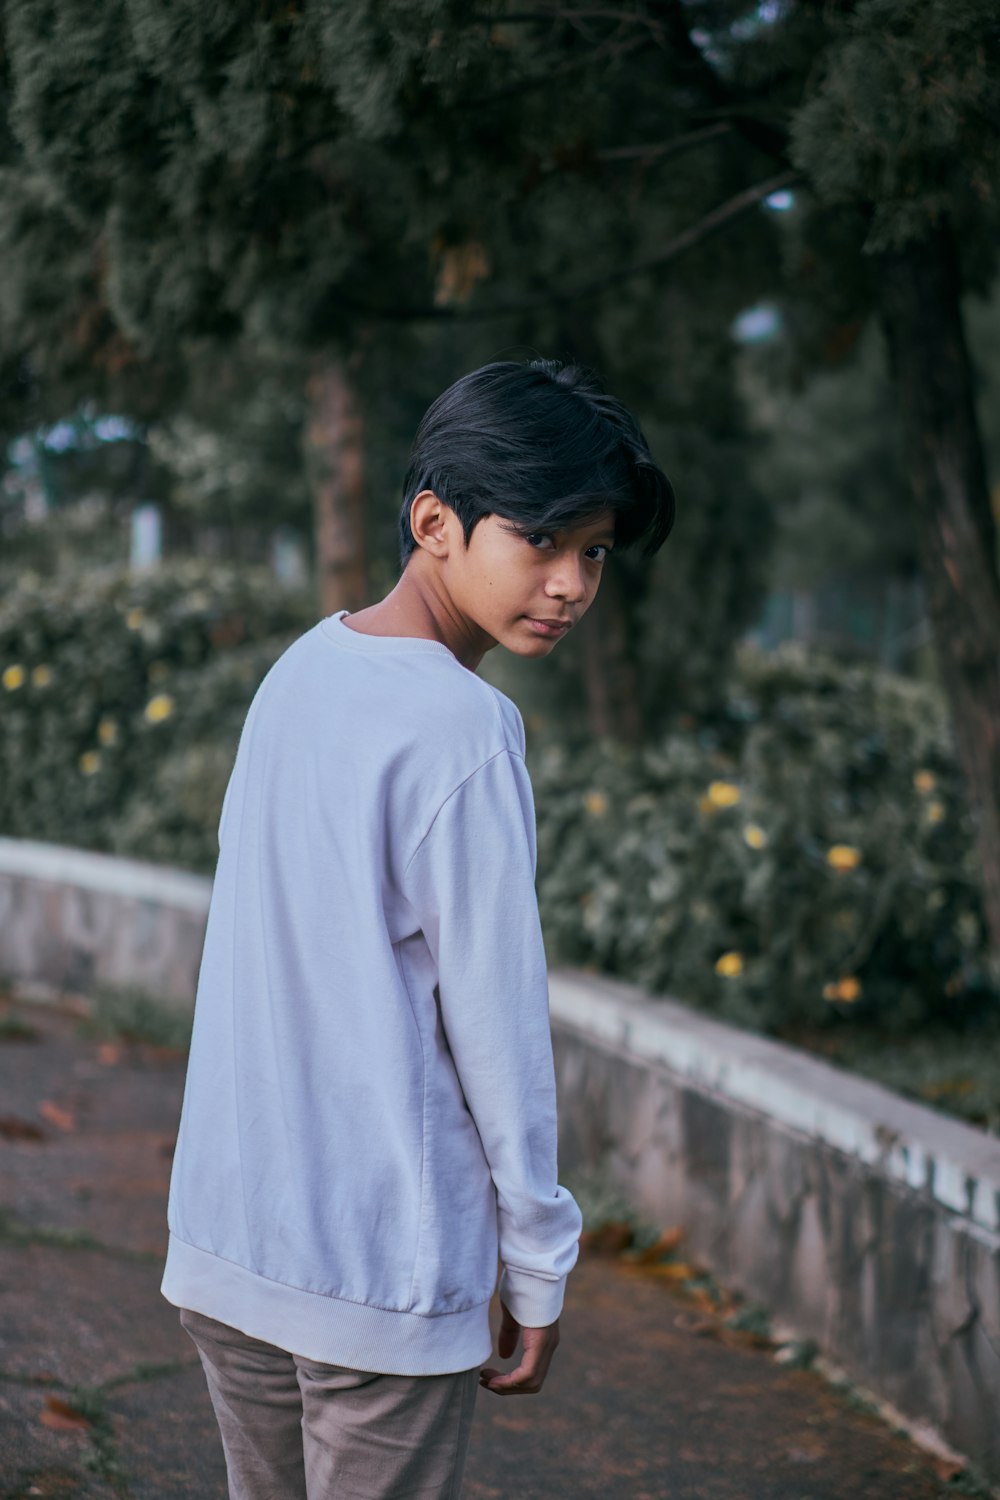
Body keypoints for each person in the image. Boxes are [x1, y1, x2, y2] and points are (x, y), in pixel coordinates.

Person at [161, 356, 676, 1499]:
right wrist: (537, 1269)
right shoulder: (465, 729)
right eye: (541, 543)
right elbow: (499, 1031)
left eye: (592, 552)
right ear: (434, 522)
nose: (572, 583)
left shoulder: (299, 672)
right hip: (376, 1272)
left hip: (228, 1242)